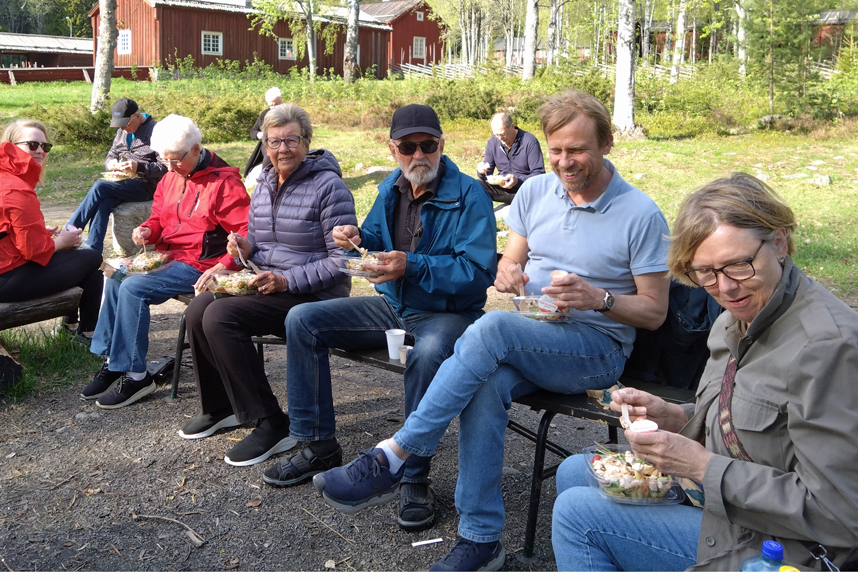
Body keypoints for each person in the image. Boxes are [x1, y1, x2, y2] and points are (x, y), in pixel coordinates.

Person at [312, 90, 672, 571]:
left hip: (596, 349)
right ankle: (481, 539)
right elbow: (511, 260)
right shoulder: (537, 191)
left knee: (493, 328)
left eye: (578, 150)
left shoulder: (641, 213)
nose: (565, 162)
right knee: (483, 381)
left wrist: (599, 299)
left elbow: (653, 312)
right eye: (557, 150)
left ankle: (395, 454)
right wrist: (508, 273)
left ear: (606, 143)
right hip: (534, 331)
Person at [548, 173, 858, 572]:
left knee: (578, 516)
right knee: (578, 471)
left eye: (739, 264)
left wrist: (701, 467)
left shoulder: (830, 349)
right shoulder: (736, 319)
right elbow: (751, 422)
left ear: (780, 243)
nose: (725, 288)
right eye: (705, 272)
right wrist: (674, 416)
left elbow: (844, 516)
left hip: (794, 551)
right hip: (740, 510)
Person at [262, 104, 498, 533]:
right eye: (408, 147)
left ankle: (412, 474)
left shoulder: (470, 194)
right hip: (392, 304)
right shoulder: (392, 186)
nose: (419, 155)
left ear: (442, 145)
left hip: (448, 312)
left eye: (428, 145)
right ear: (394, 150)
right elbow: (373, 237)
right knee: (302, 319)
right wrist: (355, 236)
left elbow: (480, 272)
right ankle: (317, 444)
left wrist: (414, 266)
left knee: (428, 354)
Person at [177, 104, 357, 468]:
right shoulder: (262, 184)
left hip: (314, 296)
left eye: (291, 139)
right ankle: (221, 406)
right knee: (198, 309)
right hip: (268, 285)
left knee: (221, 316)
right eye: (274, 141)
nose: (282, 149)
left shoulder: (328, 186)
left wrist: (287, 279)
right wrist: (243, 248)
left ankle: (273, 422)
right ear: (264, 145)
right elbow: (258, 241)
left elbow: (342, 261)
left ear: (306, 142)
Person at [81, 114, 251, 409]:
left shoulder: (224, 182)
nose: (169, 168)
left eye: (176, 160)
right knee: (115, 273)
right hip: (167, 256)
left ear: (196, 149)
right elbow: (159, 216)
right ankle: (114, 360)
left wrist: (225, 263)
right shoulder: (171, 176)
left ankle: (137, 377)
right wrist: (147, 229)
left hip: (200, 264)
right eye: (164, 160)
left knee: (133, 288)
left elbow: (247, 233)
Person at [0, 119, 103, 342]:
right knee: (91, 258)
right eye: (32, 145)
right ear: (11, 146)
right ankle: (87, 335)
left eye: (45, 146)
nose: (40, 151)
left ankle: (73, 326)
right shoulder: (15, 188)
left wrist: (42, 231)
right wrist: (63, 240)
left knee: (81, 263)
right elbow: (34, 251)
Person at [66, 98, 167, 254]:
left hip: (147, 185)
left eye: (125, 123)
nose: (122, 128)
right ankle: (93, 252)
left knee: (100, 187)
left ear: (137, 115)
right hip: (123, 183)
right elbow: (111, 155)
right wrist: (111, 163)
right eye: (119, 124)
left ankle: (70, 230)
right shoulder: (122, 131)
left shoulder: (157, 131)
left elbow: (165, 167)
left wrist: (139, 167)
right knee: (104, 202)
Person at [475, 112, 544, 205]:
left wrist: (517, 181)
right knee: (474, 185)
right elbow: (487, 176)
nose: (499, 138)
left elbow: (539, 175)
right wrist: (481, 171)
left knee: (532, 190)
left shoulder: (529, 141)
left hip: (525, 187)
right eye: (495, 134)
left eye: (502, 134)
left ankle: (521, 199)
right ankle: (517, 200)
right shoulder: (492, 143)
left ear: (512, 126)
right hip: (503, 187)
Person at [243, 87, 283, 182]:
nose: (274, 107)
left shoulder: (288, 112)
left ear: (281, 101)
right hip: (267, 143)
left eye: (276, 104)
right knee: (269, 153)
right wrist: (258, 134)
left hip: (283, 141)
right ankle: (264, 180)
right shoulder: (265, 114)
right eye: (271, 105)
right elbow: (252, 131)